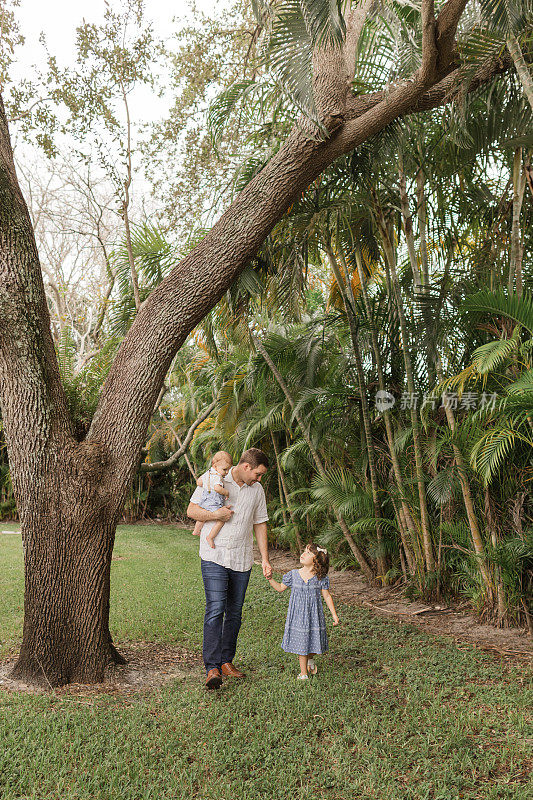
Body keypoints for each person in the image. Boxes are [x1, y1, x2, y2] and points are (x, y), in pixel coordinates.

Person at [187, 447, 273, 689]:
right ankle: (212, 667)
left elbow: (261, 523)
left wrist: (265, 559)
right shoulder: (216, 477)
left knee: (234, 612)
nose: (259, 478)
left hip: (242, 558)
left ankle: (226, 661)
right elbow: (191, 510)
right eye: (258, 473)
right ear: (246, 467)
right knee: (216, 608)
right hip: (214, 554)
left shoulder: (257, 489)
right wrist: (216, 514)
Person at [266, 543, 339, 680]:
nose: (303, 554)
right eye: (304, 551)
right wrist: (270, 579)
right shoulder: (293, 574)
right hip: (298, 616)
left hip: (314, 615)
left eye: (308, 553)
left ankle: (310, 660)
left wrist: (334, 615)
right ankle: (303, 673)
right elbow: (281, 588)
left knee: (312, 640)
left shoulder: (320, 577)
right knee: (302, 643)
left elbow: (327, 596)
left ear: (316, 560)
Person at [192, 451, 233, 549]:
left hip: (205, 499)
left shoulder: (208, 473)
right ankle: (210, 537)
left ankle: (196, 530)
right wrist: (226, 492)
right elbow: (217, 489)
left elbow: (199, 482)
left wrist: (206, 483)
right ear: (215, 466)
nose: (227, 472)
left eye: (228, 469)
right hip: (213, 500)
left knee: (204, 515)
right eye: (225, 469)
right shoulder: (217, 477)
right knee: (222, 519)